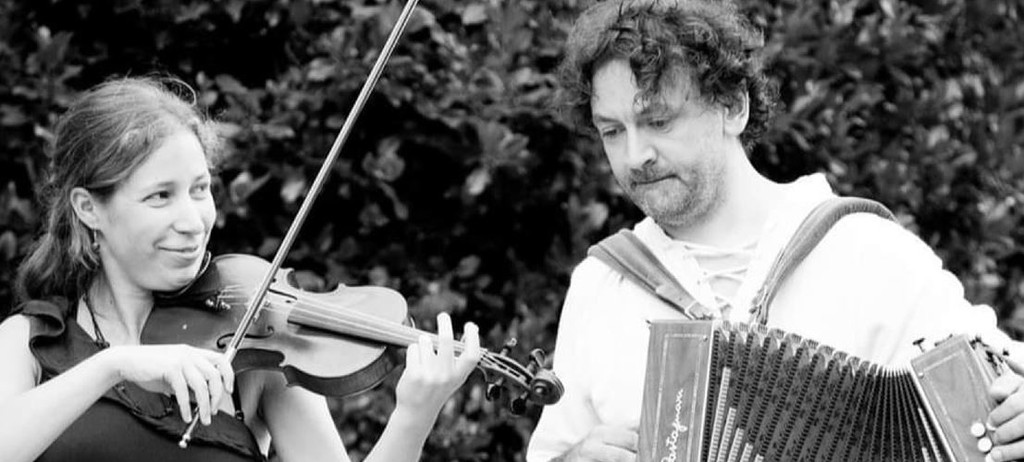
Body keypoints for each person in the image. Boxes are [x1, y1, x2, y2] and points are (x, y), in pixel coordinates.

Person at [526, 1, 1024, 461]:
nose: (635, 156)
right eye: (612, 131)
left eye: (658, 120)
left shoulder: (870, 252)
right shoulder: (601, 287)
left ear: (733, 107)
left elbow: (998, 390)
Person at [0, 76, 482, 462]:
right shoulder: (30, 342)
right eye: (160, 196)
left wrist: (413, 417)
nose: (193, 221)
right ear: (88, 208)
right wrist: (114, 365)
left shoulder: (253, 352)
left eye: (200, 189)